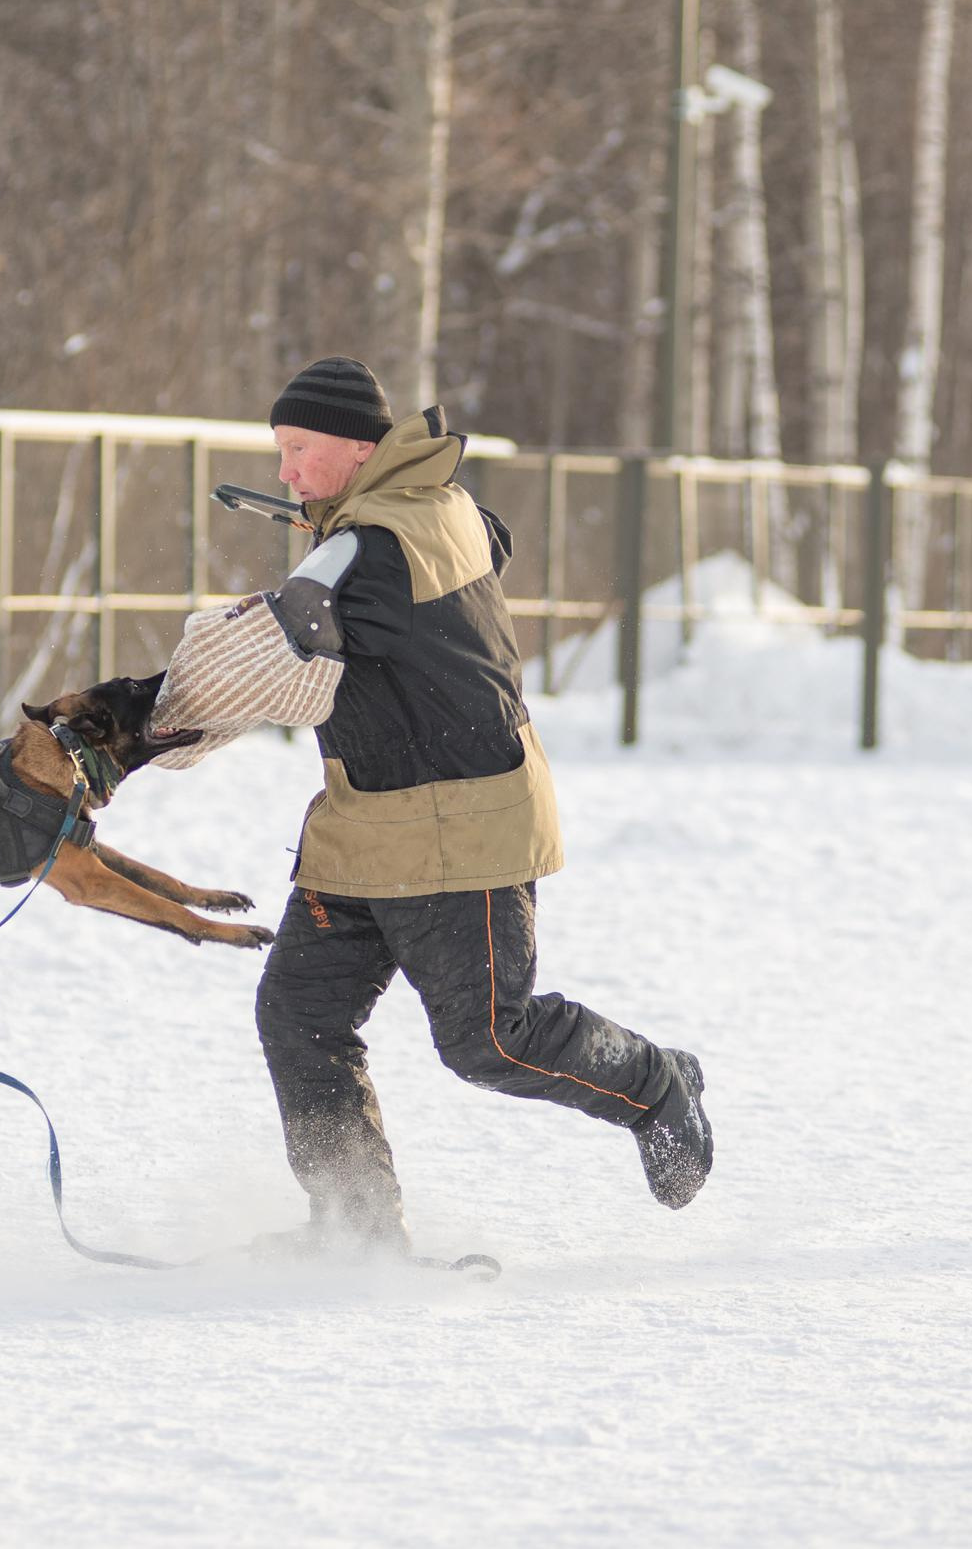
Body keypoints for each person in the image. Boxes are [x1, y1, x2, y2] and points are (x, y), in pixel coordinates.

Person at [244, 355, 711, 1259]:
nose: (285, 470)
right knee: (299, 1015)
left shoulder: (380, 545)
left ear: (359, 446)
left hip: (461, 831)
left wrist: (138, 718)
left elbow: (284, 640)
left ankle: (657, 1084)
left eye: (299, 448)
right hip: (365, 825)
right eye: (280, 451)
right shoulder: (420, 507)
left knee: (492, 1039)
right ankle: (356, 1230)